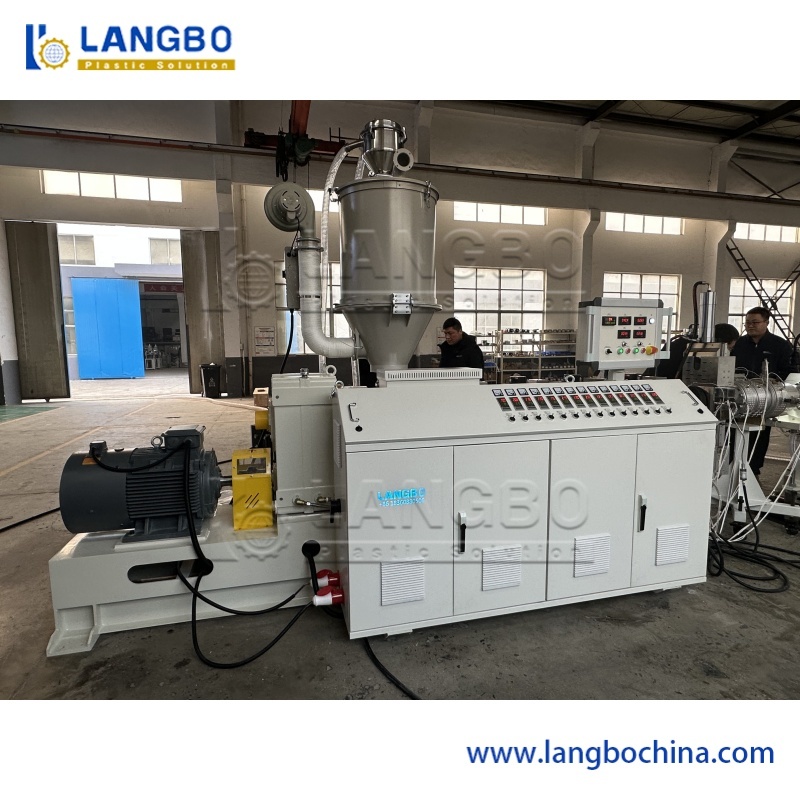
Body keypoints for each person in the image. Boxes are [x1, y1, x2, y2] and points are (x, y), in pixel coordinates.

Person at [731, 307, 794, 476]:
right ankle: (734, 463)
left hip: (766, 398)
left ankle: (753, 468)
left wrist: (775, 382)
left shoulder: (780, 345)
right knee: (736, 431)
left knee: (759, 433)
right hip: (741, 396)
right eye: (747, 322)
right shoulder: (740, 344)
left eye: (755, 322)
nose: (750, 326)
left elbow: (788, 370)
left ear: (766, 323)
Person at [655, 323, 740, 379]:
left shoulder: (683, 343)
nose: (729, 352)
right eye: (730, 348)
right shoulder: (692, 349)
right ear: (721, 344)